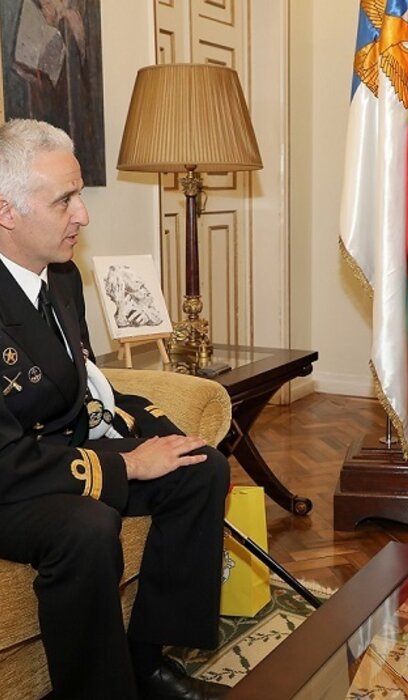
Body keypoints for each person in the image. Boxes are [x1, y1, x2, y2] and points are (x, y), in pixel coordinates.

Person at [0, 118, 231, 699]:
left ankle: (148, 662)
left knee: (200, 466)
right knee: (86, 527)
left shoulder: (61, 277)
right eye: (65, 200)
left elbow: (85, 385)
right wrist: (126, 464)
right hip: (10, 482)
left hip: (57, 456)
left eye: (79, 195)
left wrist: (159, 434)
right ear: (6, 212)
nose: (82, 215)